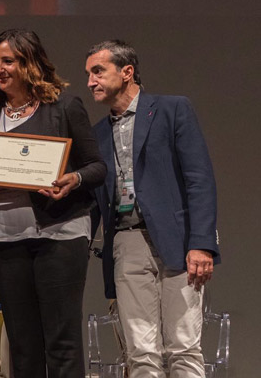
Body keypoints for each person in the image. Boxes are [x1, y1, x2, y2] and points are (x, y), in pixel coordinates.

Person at [0, 29, 106, 378]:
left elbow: (97, 166)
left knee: (61, 340)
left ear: (30, 63)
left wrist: (72, 180)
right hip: (7, 238)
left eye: (9, 61)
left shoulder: (64, 106)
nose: (0, 69)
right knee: (22, 344)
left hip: (59, 232)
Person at [86, 40, 220, 376]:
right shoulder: (97, 133)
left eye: (98, 71)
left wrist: (201, 243)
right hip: (126, 242)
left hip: (178, 239)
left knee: (184, 348)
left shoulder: (172, 109)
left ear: (127, 72)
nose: (90, 81)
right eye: (89, 74)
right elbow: (92, 199)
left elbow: (199, 179)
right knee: (140, 353)